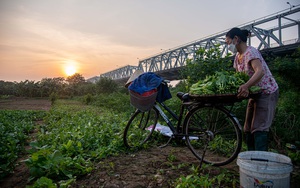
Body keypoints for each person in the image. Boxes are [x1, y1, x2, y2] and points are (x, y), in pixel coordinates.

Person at [225, 27, 279, 151]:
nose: (228, 46)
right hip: (254, 93)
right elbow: (239, 77)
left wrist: (246, 86)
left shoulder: (251, 52)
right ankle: (251, 157)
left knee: (259, 127)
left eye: (228, 42)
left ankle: (259, 162)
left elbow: (259, 72)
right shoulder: (237, 56)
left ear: (236, 39)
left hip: (266, 92)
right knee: (248, 127)